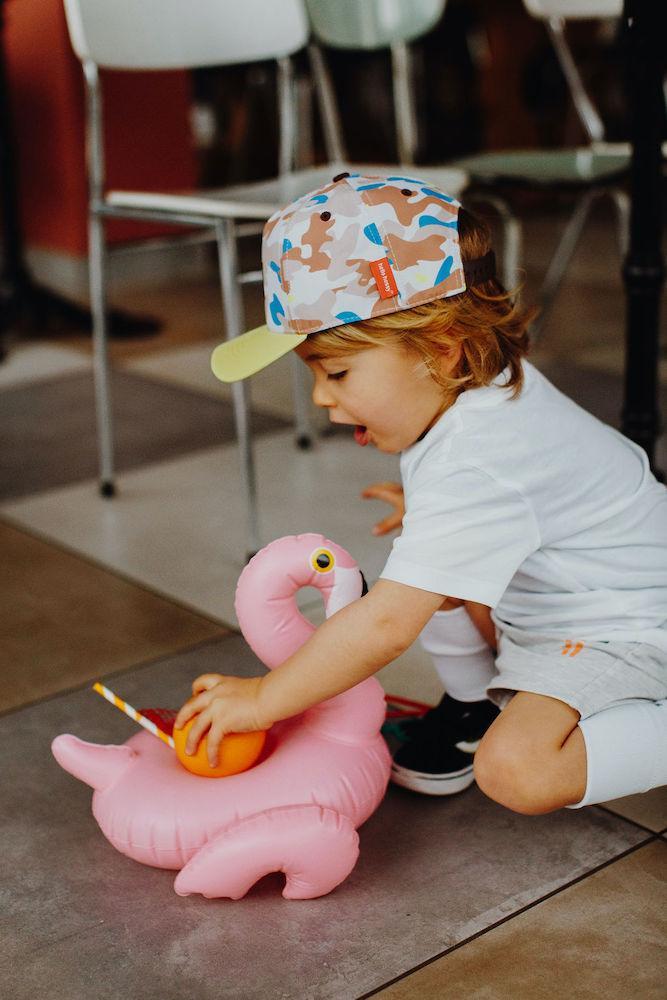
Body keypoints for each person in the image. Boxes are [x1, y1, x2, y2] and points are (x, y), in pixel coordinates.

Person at [175, 172, 667, 814]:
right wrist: (435, 518)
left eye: (339, 372)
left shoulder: (477, 453)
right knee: (432, 569)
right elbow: (532, 494)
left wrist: (265, 699)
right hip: (566, 612)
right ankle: (473, 706)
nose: (322, 397)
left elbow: (384, 626)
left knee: (518, 770)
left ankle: (507, 720)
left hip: (633, 626)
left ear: (442, 351)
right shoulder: (473, 392)